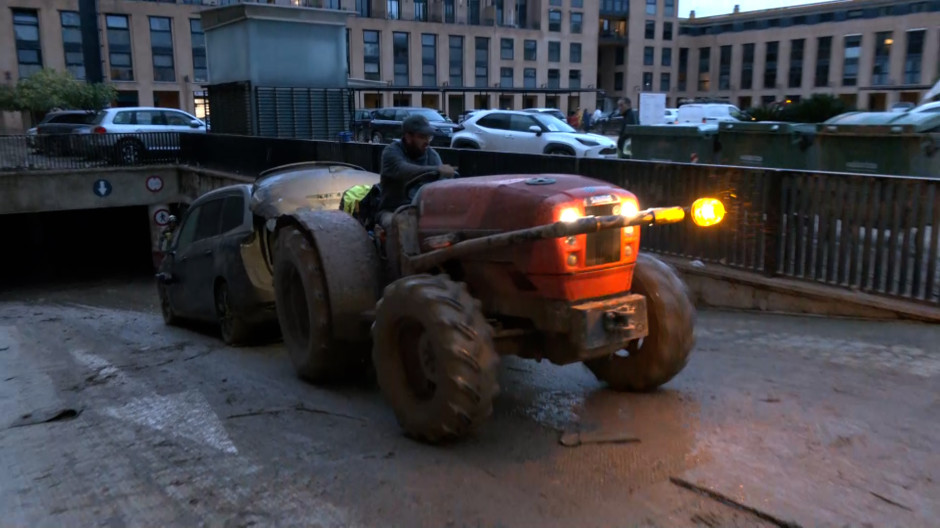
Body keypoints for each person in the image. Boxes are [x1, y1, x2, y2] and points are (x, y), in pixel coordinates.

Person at [378, 114, 457, 219]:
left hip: (423, 210)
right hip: (393, 211)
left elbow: (441, 185)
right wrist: (437, 170)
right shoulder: (391, 152)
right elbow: (402, 169)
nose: (427, 141)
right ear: (408, 137)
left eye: (429, 137)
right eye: (422, 137)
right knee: (404, 223)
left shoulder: (432, 155)